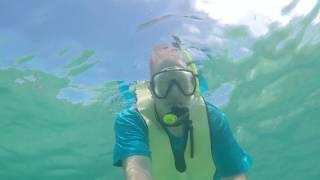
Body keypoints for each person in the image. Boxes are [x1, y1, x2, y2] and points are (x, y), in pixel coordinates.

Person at [113, 44, 252, 180]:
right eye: (163, 83)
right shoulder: (132, 120)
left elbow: (234, 175)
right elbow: (137, 168)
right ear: (151, 90)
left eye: (182, 81)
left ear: (193, 85)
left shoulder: (214, 119)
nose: (174, 93)